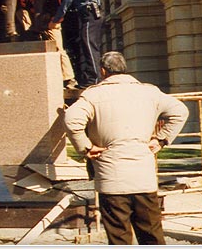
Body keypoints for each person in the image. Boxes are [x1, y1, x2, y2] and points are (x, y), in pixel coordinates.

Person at [63, 51, 189, 245]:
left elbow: (71, 120)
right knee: (152, 235)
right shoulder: (150, 92)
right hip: (143, 177)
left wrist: (86, 148)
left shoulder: (92, 95)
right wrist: (161, 139)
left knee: (119, 236)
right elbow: (180, 111)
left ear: (103, 71)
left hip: (111, 177)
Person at [48, 0, 103, 89]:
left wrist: (54, 21)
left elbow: (63, 9)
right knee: (88, 45)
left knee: (88, 46)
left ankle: (94, 79)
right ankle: (90, 77)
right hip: (97, 13)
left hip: (88, 14)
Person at [16, 0, 78, 89]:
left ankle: (69, 78)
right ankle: (30, 33)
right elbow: (22, 6)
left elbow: (58, 12)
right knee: (21, 13)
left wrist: (50, 23)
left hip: (50, 21)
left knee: (59, 48)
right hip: (35, 21)